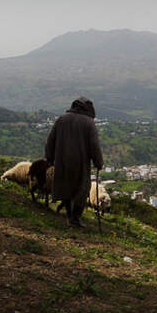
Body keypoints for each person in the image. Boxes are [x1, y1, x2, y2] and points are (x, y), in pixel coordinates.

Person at [45, 97, 103, 227]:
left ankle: (70, 215)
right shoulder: (89, 123)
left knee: (66, 187)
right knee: (82, 189)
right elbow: (94, 145)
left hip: (62, 161)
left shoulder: (61, 119)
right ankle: (75, 218)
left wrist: (49, 157)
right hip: (81, 163)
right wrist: (98, 162)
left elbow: (51, 140)